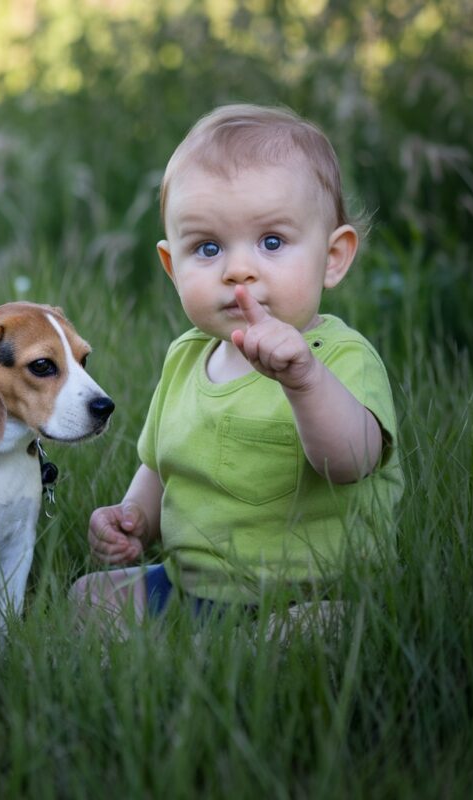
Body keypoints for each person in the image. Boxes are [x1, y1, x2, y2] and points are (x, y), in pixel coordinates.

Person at [69, 104, 403, 633]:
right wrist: (132, 521)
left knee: (327, 627)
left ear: (333, 256)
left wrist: (304, 380)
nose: (238, 270)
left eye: (272, 242)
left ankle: (235, 661)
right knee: (90, 598)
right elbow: (163, 464)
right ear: (172, 268)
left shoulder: (339, 357)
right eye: (207, 248)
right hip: (192, 586)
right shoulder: (186, 358)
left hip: (311, 592)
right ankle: (151, 677)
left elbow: (352, 461)